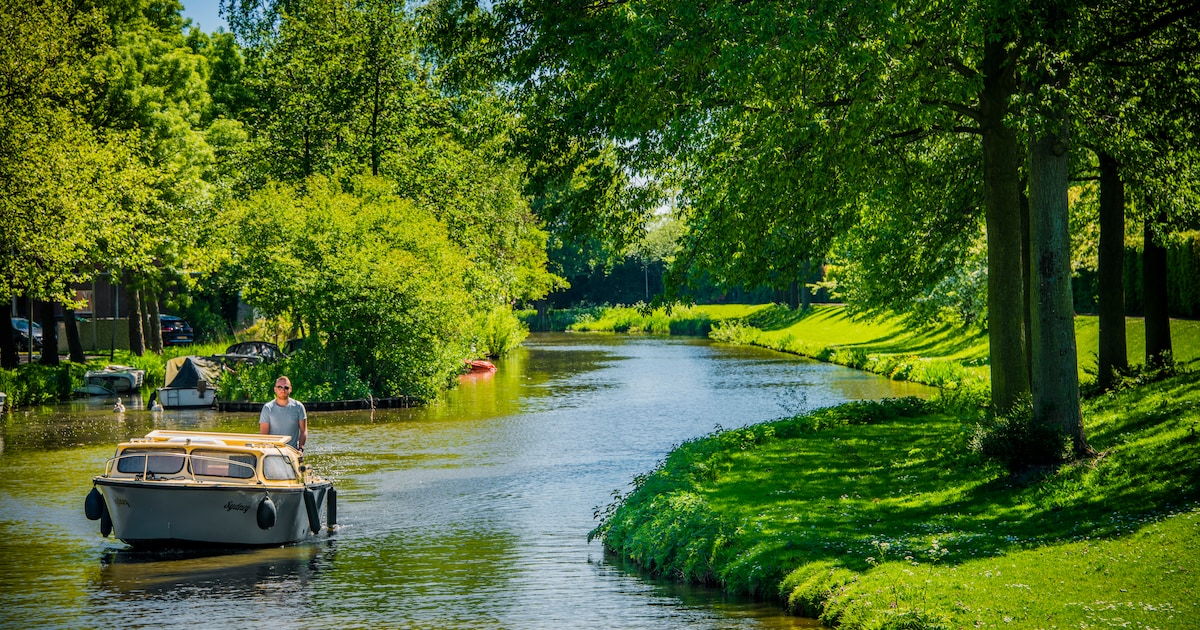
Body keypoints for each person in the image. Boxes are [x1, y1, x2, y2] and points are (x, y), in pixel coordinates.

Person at [260, 376, 307, 451]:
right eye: (279, 387)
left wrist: (300, 449)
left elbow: (303, 431)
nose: (283, 390)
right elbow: (264, 435)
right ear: (275, 389)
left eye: (286, 387)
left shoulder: (299, 407)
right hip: (273, 451)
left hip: (292, 451)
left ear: (290, 389)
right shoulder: (267, 408)